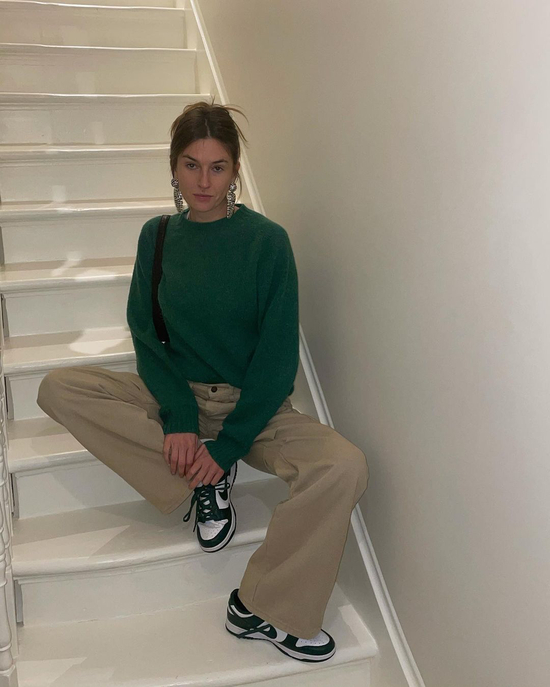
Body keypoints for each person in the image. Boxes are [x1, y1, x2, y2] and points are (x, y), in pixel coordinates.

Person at [36, 99, 369, 663]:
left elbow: (276, 357)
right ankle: (199, 481)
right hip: (177, 394)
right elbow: (146, 335)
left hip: (253, 408)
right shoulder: (157, 236)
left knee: (344, 466)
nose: (204, 181)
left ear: (235, 169)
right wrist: (181, 418)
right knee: (59, 388)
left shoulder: (266, 241)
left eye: (217, 167)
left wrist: (231, 443)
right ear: (173, 166)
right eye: (191, 165)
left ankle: (263, 607)